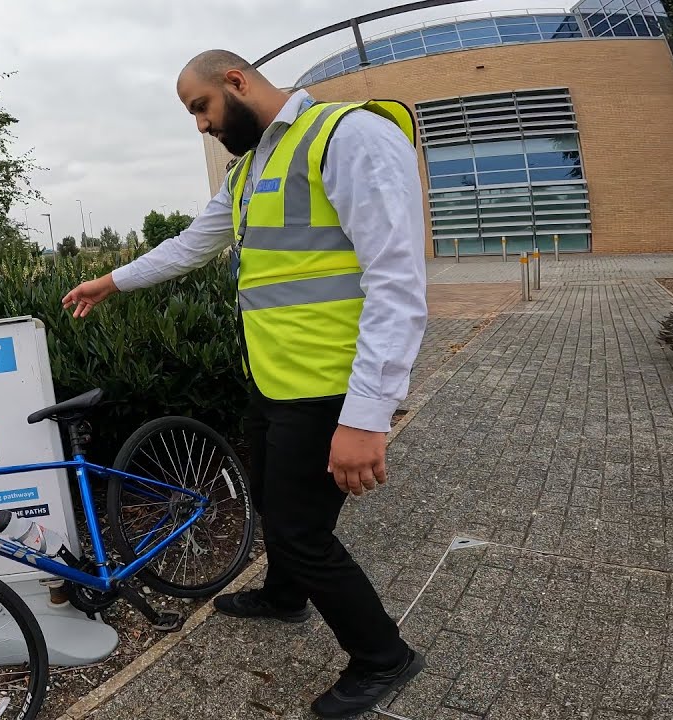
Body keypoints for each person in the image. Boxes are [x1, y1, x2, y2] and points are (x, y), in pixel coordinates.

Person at [62, 49, 428, 718]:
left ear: (236, 81)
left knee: (300, 532)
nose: (200, 124)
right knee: (266, 500)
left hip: (330, 385)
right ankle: (285, 598)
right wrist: (112, 281)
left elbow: (398, 281)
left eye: (200, 107)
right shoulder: (251, 167)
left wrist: (368, 416)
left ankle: (383, 656)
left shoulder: (348, 135)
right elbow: (195, 243)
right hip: (275, 378)